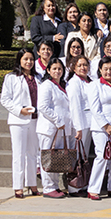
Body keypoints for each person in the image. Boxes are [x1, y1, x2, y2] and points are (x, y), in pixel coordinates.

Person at [0, 49, 40, 198]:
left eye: (31, 59)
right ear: (19, 60)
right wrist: (19, 110)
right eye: (25, 59)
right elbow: (5, 99)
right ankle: (18, 186)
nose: (29, 62)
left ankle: (32, 184)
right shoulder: (11, 77)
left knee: (32, 154)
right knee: (19, 153)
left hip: (35, 119)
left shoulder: (38, 77)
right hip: (18, 120)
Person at [87, 57, 111, 200]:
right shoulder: (95, 85)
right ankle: (93, 189)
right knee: (101, 157)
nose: (109, 72)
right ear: (100, 70)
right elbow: (94, 108)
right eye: (106, 69)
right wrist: (106, 125)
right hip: (101, 128)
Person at [36, 58, 72, 198]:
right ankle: (48, 187)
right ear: (48, 70)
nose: (57, 71)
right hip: (49, 128)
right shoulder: (46, 85)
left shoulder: (61, 85)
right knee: (48, 157)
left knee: (56, 158)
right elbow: (43, 107)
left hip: (60, 129)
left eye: (60, 69)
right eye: (54, 69)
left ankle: (55, 186)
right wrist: (58, 120)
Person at [66, 55, 93, 196]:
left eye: (85, 65)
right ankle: (73, 187)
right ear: (74, 67)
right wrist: (78, 128)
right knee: (76, 157)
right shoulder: (73, 83)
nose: (83, 68)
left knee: (84, 156)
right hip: (80, 125)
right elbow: (74, 107)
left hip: (88, 123)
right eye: (80, 65)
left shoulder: (88, 81)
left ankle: (81, 184)